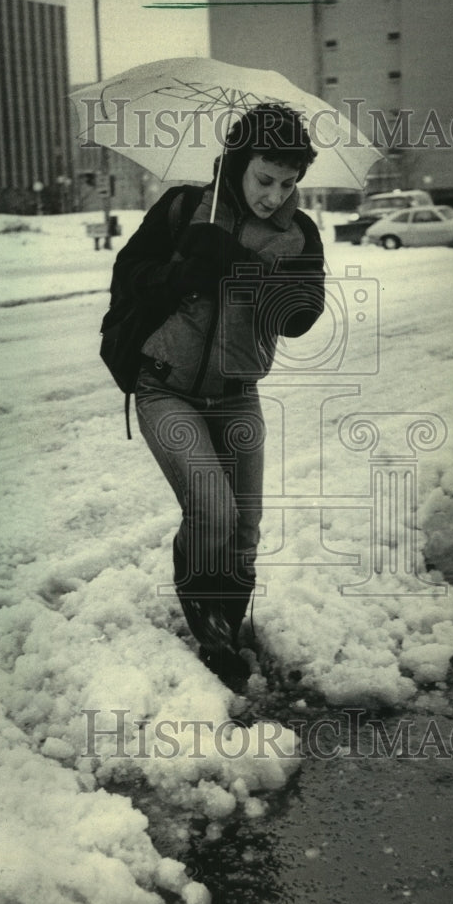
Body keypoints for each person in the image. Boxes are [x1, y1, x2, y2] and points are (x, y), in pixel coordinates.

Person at [112, 103, 325, 685]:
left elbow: (302, 315)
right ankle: (206, 624)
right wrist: (183, 272)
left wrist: (237, 264)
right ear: (237, 160)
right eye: (264, 179)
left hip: (237, 394)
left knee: (246, 531)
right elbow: (128, 273)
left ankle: (226, 627)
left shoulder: (299, 234)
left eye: (288, 183)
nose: (274, 196)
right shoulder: (185, 208)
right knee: (213, 508)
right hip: (166, 388)